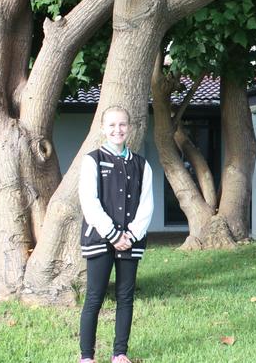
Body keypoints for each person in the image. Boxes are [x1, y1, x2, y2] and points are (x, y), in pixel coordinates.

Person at [78, 106, 153, 363]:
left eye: (122, 125)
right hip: (100, 239)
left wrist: (130, 236)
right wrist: (113, 234)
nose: (117, 130)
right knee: (94, 297)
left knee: (125, 297)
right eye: (111, 125)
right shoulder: (92, 160)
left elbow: (147, 205)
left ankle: (120, 353)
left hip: (131, 241)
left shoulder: (142, 165)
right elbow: (90, 202)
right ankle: (86, 356)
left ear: (129, 128)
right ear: (102, 128)